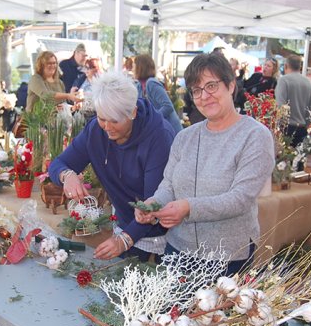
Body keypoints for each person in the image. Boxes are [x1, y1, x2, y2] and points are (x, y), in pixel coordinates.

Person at [135, 53, 274, 276]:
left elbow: (240, 199)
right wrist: (153, 204)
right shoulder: (185, 137)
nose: (204, 96)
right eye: (197, 90)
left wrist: (188, 207)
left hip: (227, 257)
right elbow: (168, 185)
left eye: (211, 86)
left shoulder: (254, 136)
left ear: (231, 85)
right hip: (177, 250)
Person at [48, 71, 174, 262]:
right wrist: (67, 175)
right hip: (125, 224)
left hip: (159, 235)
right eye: (102, 118)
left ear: (132, 113)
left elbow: (154, 204)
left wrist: (124, 240)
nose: (107, 127)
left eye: (114, 120)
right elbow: (58, 164)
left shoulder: (159, 137)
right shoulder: (95, 131)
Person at [133, 54, 183, 133]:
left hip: (171, 131)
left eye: (134, 67)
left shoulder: (151, 84)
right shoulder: (139, 86)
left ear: (140, 68)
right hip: (160, 130)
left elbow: (168, 106)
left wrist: (153, 119)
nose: (132, 70)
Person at [275, 55, 311, 146]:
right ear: (300, 67)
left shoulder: (284, 80)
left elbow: (280, 104)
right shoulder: (308, 82)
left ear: (286, 66)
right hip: (303, 128)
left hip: (287, 127)